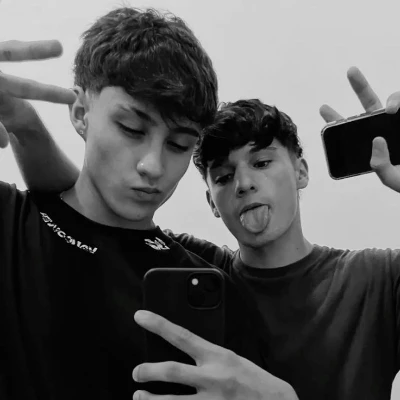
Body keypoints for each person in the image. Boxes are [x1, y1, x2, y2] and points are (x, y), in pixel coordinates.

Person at [11, 58, 400, 400]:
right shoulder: (195, 269)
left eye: (262, 163)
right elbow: (88, 205)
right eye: (224, 176)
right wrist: (24, 126)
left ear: (301, 171)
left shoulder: (378, 277)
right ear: (212, 202)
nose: (243, 184)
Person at [0, 7, 300, 400]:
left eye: (178, 145)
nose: (153, 166)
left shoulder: (214, 289)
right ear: (80, 113)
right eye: (131, 129)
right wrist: (24, 126)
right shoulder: (9, 220)